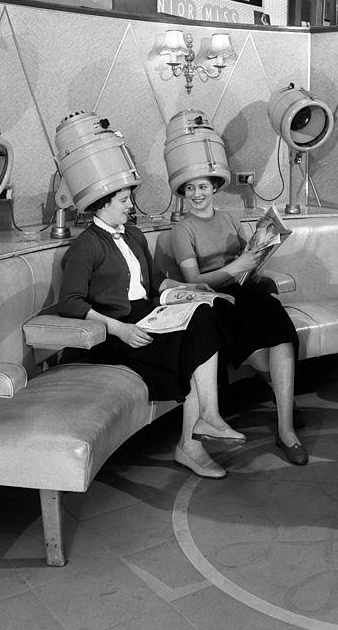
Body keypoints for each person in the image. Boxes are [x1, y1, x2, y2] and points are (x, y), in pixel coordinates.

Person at [57, 184, 243, 479]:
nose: (130, 205)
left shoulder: (133, 234)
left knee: (205, 315)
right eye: (123, 200)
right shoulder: (86, 245)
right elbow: (69, 302)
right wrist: (120, 329)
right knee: (193, 342)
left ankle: (208, 417)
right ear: (103, 205)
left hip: (146, 317)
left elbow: (157, 282)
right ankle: (192, 443)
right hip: (112, 334)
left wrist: (192, 289)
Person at [170, 176, 307, 465]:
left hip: (247, 290)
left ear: (214, 189)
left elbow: (250, 259)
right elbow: (193, 281)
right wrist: (237, 267)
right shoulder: (182, 230)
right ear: (183, 192)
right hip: (216, 300)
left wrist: (259, 254)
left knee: (280, 331)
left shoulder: (230, 220)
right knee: (260, 351)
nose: (197, 194)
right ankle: (284, 400)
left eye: (203, 187)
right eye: (191, 188)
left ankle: (286, 430)